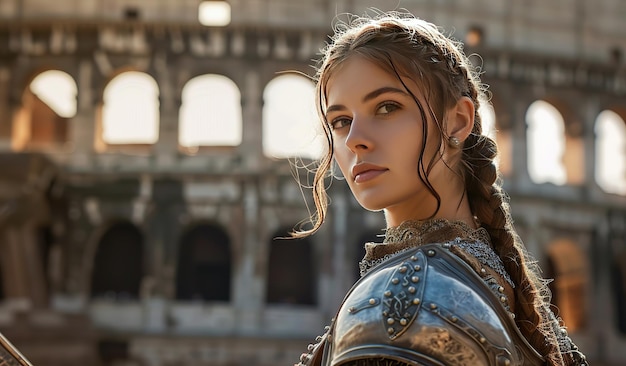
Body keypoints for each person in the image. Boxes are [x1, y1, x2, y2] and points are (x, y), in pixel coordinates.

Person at [293, 11, 588, 366]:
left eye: (387, 107)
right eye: (341, 121)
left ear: (457, 121)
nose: (355, 140)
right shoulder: (520, 305)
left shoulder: (402, 304)